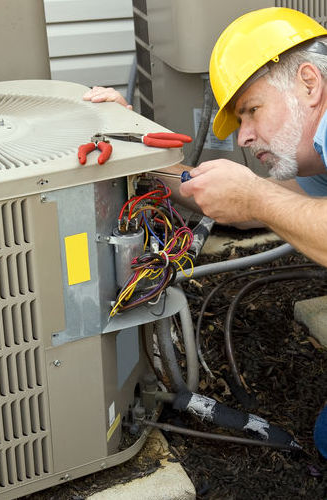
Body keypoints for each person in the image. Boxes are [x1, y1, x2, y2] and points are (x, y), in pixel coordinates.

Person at [85, 7, 327, 459]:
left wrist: (256, 196)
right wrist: (136, 148)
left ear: (309, 83)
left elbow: (263, 203)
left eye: (251, 111)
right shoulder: (317, 153)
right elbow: (262, 205)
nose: (245, 139)